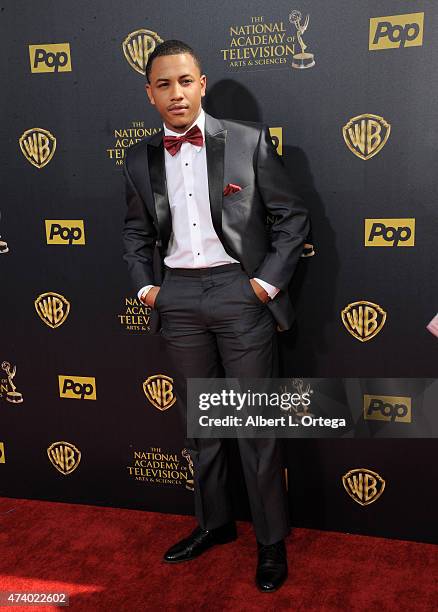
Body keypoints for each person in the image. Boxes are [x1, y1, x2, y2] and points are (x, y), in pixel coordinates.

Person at [122, 40, 309, 592]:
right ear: (150, 93)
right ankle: (214, 524)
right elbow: (135, 234)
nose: (175, 93)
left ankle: (270, 541)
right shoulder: (139, 157)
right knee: (202, 427)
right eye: (163, 84)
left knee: (254, 425)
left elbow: (291, 219)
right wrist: (148, 291)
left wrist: (264, 284)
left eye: (185, 81)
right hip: (177, 298)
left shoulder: (248, 141)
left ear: (201, 83)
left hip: (238, 293)